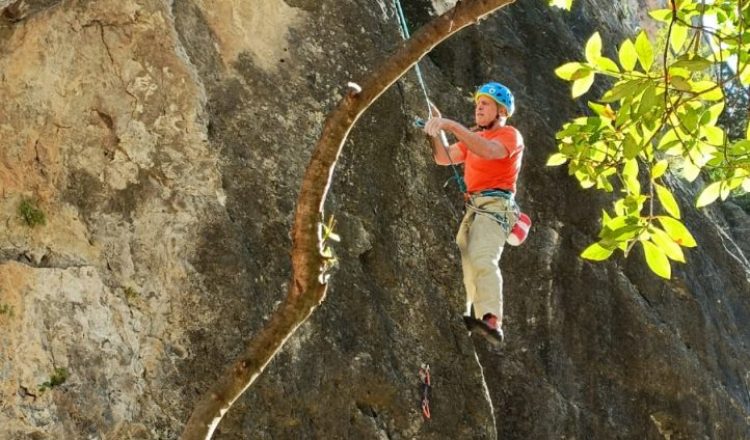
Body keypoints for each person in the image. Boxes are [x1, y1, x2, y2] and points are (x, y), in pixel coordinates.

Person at [423, 82, 524, 345]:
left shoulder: (509, 135)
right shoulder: (473, 138)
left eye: (486, 103)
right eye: (478, 103)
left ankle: (492, 319)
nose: (479, 107)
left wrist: (451, 126)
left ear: (501, 111)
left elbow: (489, 152)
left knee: (482, 256)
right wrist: (435, 127)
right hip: (475, 210)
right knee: (466, 263)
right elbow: (444, 158)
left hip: (495, 209)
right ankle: (473, 317)